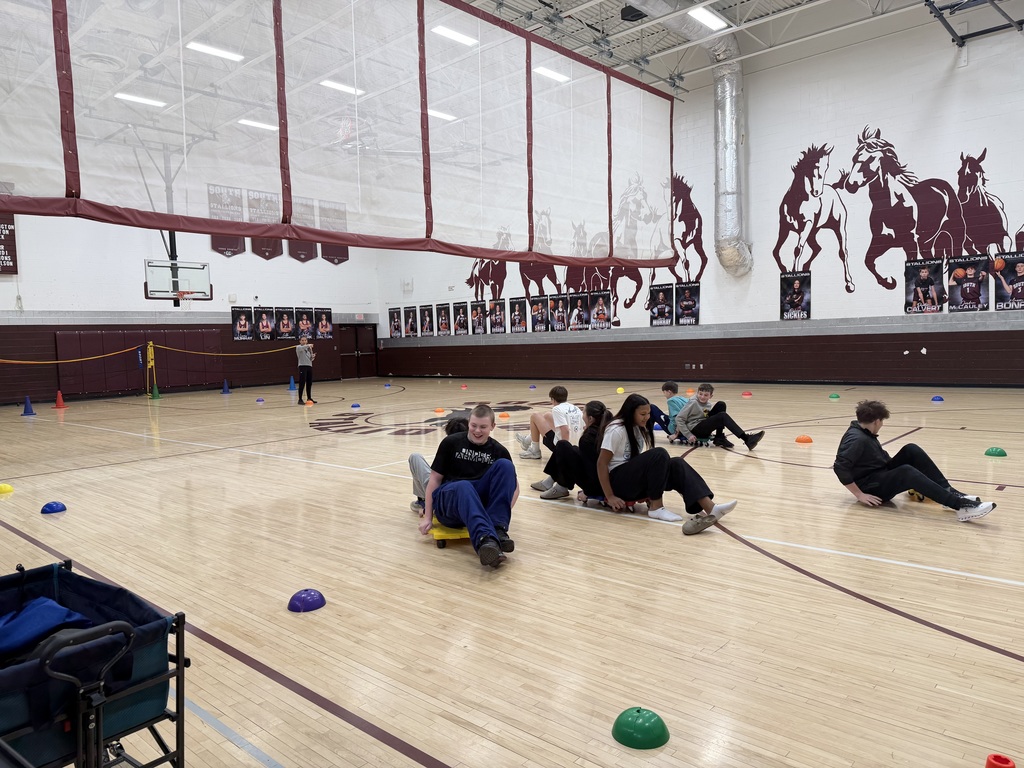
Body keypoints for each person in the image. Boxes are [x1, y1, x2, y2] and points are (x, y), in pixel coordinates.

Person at [833, 399, 995, 521]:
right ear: (877, 421)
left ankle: (948, 492)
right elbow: (840, 467)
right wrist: (860, 495)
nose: (882, 425)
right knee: (906, 472)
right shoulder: (857, 439)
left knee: (911, 449)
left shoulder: (864, 431)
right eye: (882, 421)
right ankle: (960, 506)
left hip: (879, 473)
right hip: (872, 487)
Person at [596, 394, 737, 531]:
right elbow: (601, 464)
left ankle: (711, 507)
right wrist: (610, 496)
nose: (647, 417)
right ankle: (656, 507)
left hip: (631, 479)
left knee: (677, 463)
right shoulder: (616, 430)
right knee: (659, 454)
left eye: (648, 413)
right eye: (643, 414)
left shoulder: (637, 427)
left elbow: (636, 462)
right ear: (630, 413)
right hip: (619, 483)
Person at [419, 404, 520, 568]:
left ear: (493, 427)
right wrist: (428, 517)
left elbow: (515, 487)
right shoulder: (451, 443)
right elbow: (435, 479)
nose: (477, 431)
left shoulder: (499, 451)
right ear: (468, 423)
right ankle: (485, 540)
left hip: (475, 501)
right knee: (464, 486)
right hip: (450, 502)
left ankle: (497, 530)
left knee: (505, 466)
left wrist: (497, 512)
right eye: (473, 426)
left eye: (483, 427)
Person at [531, 400, 607, 500]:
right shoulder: (603, 429)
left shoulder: (588, 438)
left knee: (562, 446)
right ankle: (552, 479)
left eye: (583, 412)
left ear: (590, 418)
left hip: (595, 485)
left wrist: (587, 492)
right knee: (570, 448)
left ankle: (561, 486)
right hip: (605, 480)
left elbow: (592, 468)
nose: (582, 415)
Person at [675, 383, 764, 450]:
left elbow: (705, 415)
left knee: (721, 404)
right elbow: (679, 418)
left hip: (702, 424)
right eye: (700, 394)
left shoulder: (708, 404)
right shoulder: (693, 403)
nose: (702, 397)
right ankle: (746, 439)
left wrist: (711, 421)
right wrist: (688, 434)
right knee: (722, 416)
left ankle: (719, 437)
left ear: (711, 396)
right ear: (697, 393)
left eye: (705, 395)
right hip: (694, 428)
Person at [409, 417, 469, 514]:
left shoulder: (447, 446)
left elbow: (436, 478)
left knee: (415, 457)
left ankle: (423, 501)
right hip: (467, 497)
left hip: (443, 495)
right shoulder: (477, 450)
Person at [516, 386, 585, 460]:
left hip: (561, 447)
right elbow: (584, 427)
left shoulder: (557, 409)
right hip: (577, 448)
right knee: (547, 416)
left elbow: (566, 430)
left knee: (535, 416)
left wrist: (565, 451)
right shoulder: (575, 408)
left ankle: (534, 451)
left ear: (553, 399)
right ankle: (527, 440)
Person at [295, 336, 316, 404]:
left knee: (309, 383)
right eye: (302, 340)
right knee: (302, 382)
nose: (304, 341)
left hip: (309, 366)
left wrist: (312, 357)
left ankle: (309, 397)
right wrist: (308, 345)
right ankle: (300, 399)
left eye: (305, 340)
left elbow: (311, 358)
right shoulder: (298, 347)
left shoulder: (309, 349)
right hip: (302, 366)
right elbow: (302, 347)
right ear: (300, 341)